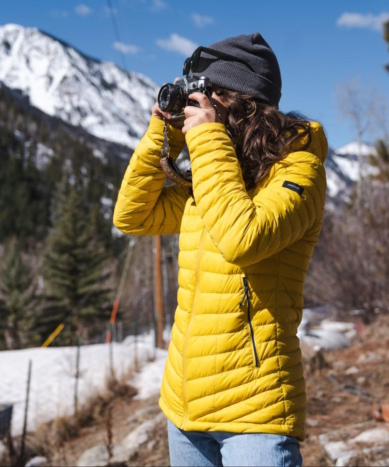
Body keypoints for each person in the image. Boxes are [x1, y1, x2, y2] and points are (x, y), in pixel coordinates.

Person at [113, 32, 327, 467]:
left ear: (239, 101)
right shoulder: (215, 180)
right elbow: (132, 216)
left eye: (206, 96)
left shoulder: (300, 169)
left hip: (254, 413)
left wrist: (208, 140)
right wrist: (165, 134)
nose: (198, 106)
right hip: (185, 409)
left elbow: (241, 238)